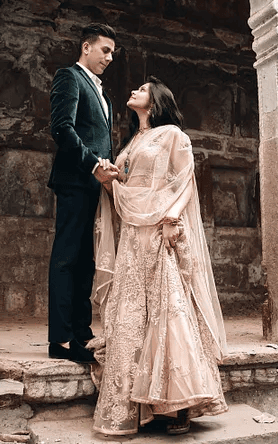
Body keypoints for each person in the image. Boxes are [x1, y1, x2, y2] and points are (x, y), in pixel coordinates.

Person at [89, 77, 228, 436]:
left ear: (156, 101)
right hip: (133, 236)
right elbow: (127, 191)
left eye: (143, 88)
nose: (134, 90)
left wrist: (171, 218)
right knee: (133, 312)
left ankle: (179, 404)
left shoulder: (172, 135)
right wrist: (108, 178)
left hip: (160, 230)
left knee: (168, 309)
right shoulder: (132, 141)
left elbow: (186, 180)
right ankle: (138, 402)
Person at [47, 23, 119, 363]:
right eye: (104, 50)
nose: (109, 57)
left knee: (87, 261)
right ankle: (60, 340)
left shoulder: (103, 92)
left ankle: (82, 333)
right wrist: (92, 164)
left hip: (96, 185)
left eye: (112, 53)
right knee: (66, 258)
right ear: (86, 46)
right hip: (76, 180)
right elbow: (62, 128)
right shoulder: (69, 77)